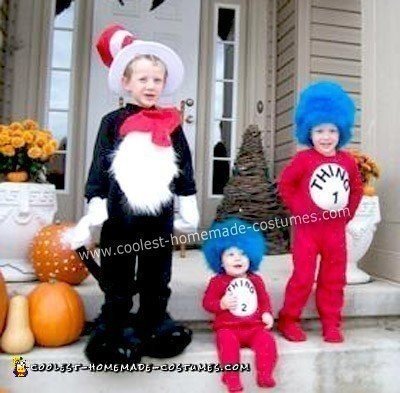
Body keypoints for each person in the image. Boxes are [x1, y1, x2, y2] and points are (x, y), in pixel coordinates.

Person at [64, 24, 199, 364]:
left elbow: (183, 162)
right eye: (143, 79)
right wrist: (94, 201)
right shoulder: (111, 122)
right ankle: (113, 327)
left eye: (157, 80)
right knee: (118, 270)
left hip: (160, 213)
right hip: (119, 214)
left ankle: (154, 322)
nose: (151, 86)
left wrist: (188, 200)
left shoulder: (172, 123)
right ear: (126, 83)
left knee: (157, 270)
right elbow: (99, 164)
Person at [277, 81, 363, 343]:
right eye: (319, 130)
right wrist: (299, 211)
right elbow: (285, 185)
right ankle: (289, 319)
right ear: (308, 132)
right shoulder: (303, 160)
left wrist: (346, 214)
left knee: (334, 278)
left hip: (334, 232)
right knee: (303, 276)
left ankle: (331, 322)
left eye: (332, 130)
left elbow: (356, 190)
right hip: (308, 231)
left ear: (342, 131)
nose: (326, 137)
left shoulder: (347, 161)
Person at [203, 218, 277, 392]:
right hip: (228, 328)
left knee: (267, 342)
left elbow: (264, 300)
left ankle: (265, 374)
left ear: (251, 256)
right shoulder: (218, 282)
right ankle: (231, 378)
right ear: (220, 261)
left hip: (254, 327)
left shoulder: (256, 280)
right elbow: (207, 303)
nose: (238, 258)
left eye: (243, 253)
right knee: (227, 346)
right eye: (230, 254)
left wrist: (266, 313)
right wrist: (221, 304)